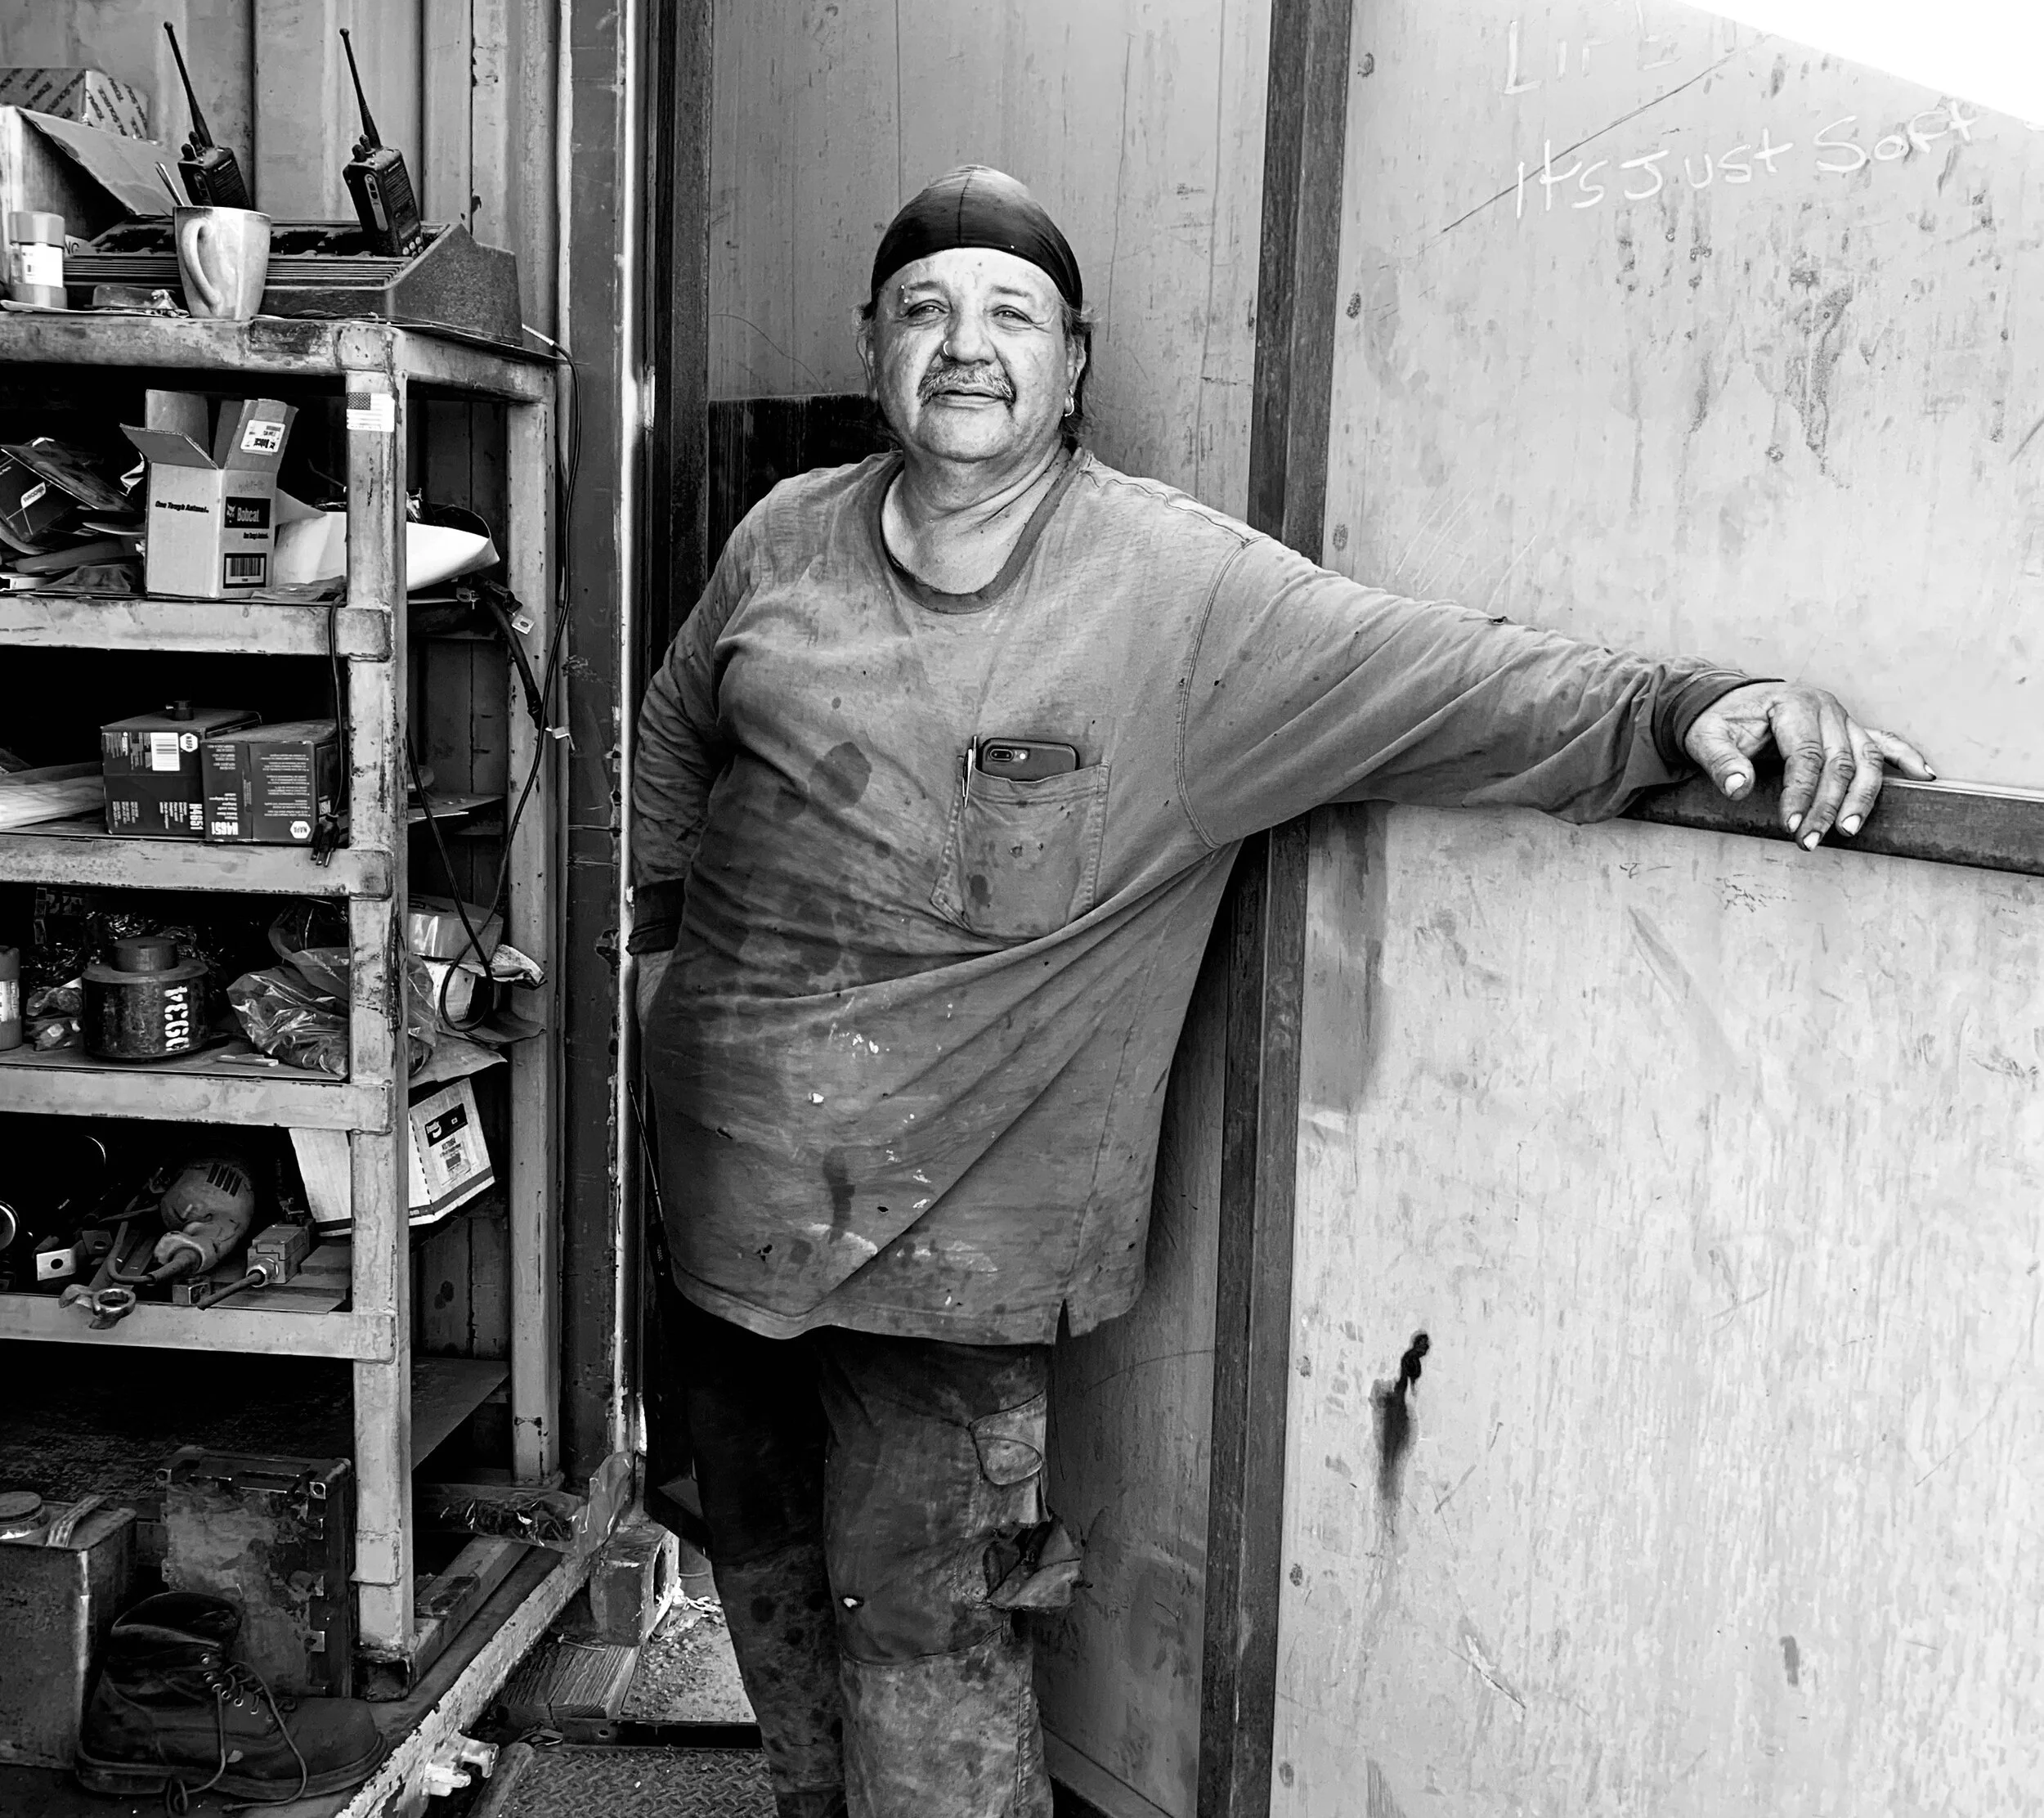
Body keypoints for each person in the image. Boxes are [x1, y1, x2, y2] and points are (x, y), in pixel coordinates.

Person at [630, 165, 1928, 1818]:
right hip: (719, 1205)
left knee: (930, 1647)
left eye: (1008, 313)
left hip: (946, 1267)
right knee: (756, 1558)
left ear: (1074, 361)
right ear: (873, 343)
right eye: (925, 311)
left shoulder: (1177, 601)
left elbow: (1448, 676)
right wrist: (659, 961)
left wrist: (1687, 705)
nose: (965, 346)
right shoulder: (780, 539)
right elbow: (674, 736)